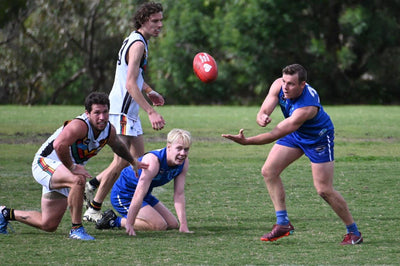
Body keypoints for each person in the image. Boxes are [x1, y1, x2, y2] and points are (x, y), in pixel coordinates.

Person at [222, 64, 363, 245]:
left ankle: (353, 232)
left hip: (317, 139)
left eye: (291, 84)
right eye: (284, 82)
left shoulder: (306, 107)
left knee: (323, 190)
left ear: (302, 85)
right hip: (295, 134)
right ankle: (283, 223)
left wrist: (246, 141)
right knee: (269, 171)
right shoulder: (278, 85)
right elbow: (263, 111)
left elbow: (274, 135)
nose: (285, 87)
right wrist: (262, 117)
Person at [0, 92, 148, 240]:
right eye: (97, 113)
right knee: (78, 180)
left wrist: (133, 161)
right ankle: (76, 229)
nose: (102, 117)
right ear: (87, 113)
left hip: (62, 170)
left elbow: (117, 145)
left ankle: (4, 214)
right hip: (44, 163)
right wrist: (72, 167)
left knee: (49, 224)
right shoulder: (80, 126)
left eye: (105, 112)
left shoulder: (109, 130)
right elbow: (59, 145)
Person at [83, 2, 166, 223]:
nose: (159, 25)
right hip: (121, 112)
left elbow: (133, 77)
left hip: (129, 112)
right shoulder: (138, 45)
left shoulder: (136, 40)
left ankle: (128, 198)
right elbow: (129, 84)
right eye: (155, 21)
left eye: (161, 20)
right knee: (122, 161)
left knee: (139, 161)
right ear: (143, 21)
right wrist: (151, 112)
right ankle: (93, 208)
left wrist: (150, 91)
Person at [95, 129, 193, 236]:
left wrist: (183, 225)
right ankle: (113, 221)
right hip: (124, 195)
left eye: (186, 149)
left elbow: (179, 194)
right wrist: (130, 223)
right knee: (159, 225)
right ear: (168, 147)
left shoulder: (183, 163)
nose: (182, 153)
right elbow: (138, 193)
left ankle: (127, 220)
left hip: (145, 195)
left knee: (173, 224)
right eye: (179, 148)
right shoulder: (154, 161)